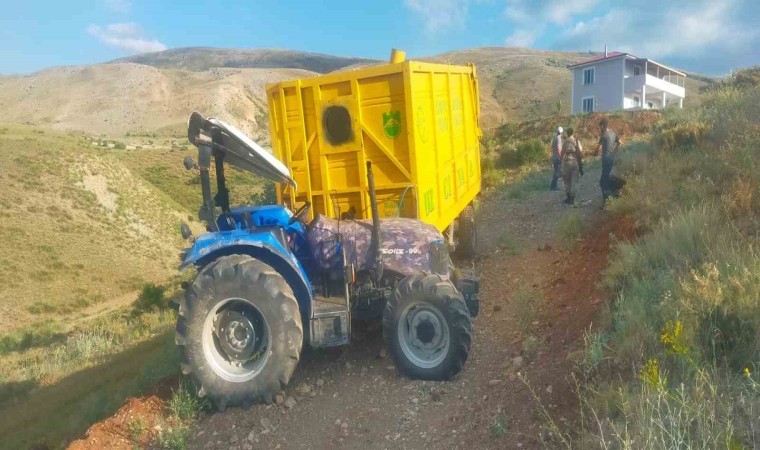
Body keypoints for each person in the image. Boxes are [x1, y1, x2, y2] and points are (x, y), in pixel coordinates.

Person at [596, 118, 623, 206]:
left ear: (603, 125)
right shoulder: (613, 133)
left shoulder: (604, 135)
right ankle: (613, 195)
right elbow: (620, 143)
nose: (600, 129)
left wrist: (595, 152)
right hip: (611, 159)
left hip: (606, 160)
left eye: (600, 127)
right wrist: (614, 152)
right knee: (608, 178)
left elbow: (598, 149)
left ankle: (606, 202)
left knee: (603, 181)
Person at [560, 127, 583, 205]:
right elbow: (580, 151)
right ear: (573, 133)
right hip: (574, 163)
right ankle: (572, 200)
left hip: (566, 163)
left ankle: (568, 198)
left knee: (567, 181)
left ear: (567, 133)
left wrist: (561, 164)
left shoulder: (565, 142)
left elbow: (562, 153)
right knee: (574, 181)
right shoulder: (576, 141)